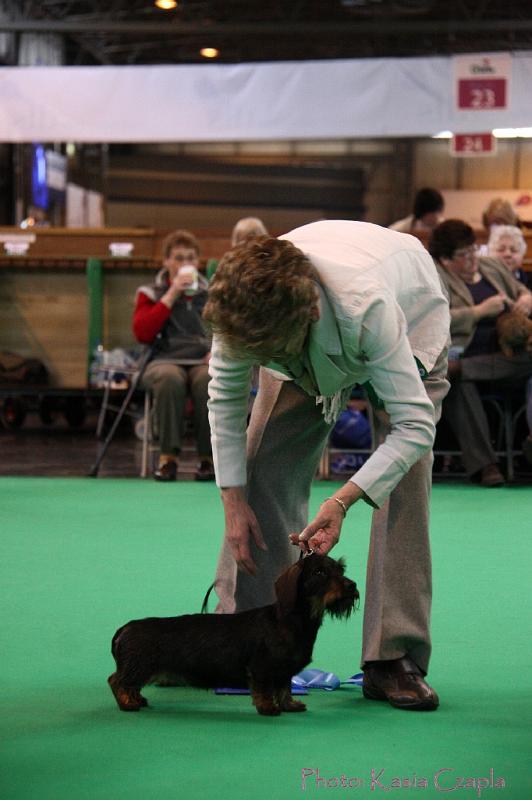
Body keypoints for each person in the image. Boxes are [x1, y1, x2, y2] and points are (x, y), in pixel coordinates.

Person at [204, 220, 451, 712]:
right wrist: (233, 502)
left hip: (409, 309)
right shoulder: (238, 309)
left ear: (306, 317)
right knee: (260, 463)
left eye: (271, 353)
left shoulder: (370, 308)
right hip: (307, 318)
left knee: (405, 477)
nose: (259, 360)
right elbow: (225, 402)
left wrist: (342, 500)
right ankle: (245, 639)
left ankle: (392, 658)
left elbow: (413, 426)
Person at [429, 220, 532, 484]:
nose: (472, 259)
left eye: (474, 250)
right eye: (463, 255)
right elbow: (432, 318)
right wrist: (478, 312)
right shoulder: (435, 278)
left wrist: (525, 298)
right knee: (458, 383)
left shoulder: (492, 266)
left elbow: (520, 289)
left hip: (511, 355)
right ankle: (487, 466)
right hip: (464, 353)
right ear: (445, 259)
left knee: (460, 374)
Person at [133, 229, 215, 482]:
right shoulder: (150, 292)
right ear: (166, 261)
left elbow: (225, 328)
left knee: (209, 380)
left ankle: (208, 459)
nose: (185, 264)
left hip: (202, 360)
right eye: (178, 258)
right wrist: (171, 295)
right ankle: (167, 458)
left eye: (190, 258)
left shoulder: (211, 292)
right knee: (170, 379)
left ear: (198, 262)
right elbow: (142, 333)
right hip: (162, 360)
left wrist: (216, 351)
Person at [487, 224, 530, 289]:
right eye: (501, 249)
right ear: (490, 252)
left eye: (514, 250)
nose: (508, 254)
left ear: (522, 254)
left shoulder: (529, 281)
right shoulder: (481, 282)